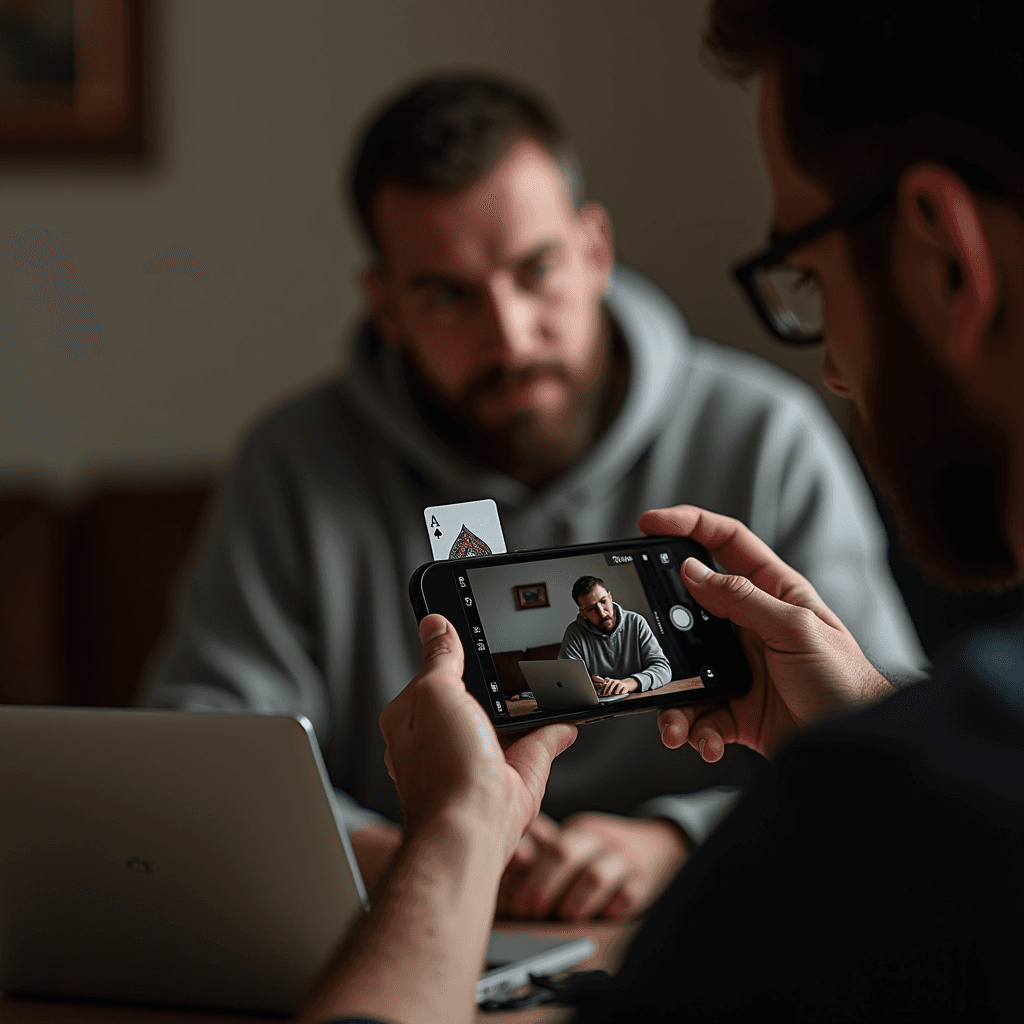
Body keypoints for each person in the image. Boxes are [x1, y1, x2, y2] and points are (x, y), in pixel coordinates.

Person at [290, 1, 1024, 1020]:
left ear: (945, 256)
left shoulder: (892, 795)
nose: (835, 375)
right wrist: (862, 725)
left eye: (804, 279)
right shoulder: (922, 783)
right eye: (450, 295)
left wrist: (460, 830)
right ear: (386, 301)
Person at [141, 72, 928, 922]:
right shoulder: (290, 463)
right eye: (448, 295)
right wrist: (414, 856)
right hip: (416, 918)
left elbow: (897, 737)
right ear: (387, 305)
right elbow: (207, 756)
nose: (510, 336)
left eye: (536, 269)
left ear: (594, 248)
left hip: (695, 920)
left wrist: (680, 844)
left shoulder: (768, 434)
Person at [558, 575, 671, 694]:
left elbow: (663, 670)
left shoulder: (636, 622)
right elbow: (565, 681)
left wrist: (630, 683)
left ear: (610, 597)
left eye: (603, 601)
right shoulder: (574, 633)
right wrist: (587, 684)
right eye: (590, 609)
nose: (601, 613)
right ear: (583, 613)